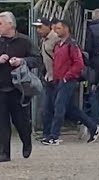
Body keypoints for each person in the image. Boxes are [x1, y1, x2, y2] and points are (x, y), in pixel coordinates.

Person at [41, 20, 99, 145]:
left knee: (59, 107)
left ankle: (54, 136)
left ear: (66, 29)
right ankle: (93, 127)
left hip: (67, 80)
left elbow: (78, 63)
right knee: (71, 109)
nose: (55, 31)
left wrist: (67, 76)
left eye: (58, 28)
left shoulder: (71, 45)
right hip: (60, 80)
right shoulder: (59, 45)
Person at [0, 11, 42, 162]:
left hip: (19, 89)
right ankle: (4, 153)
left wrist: (22, 61)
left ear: (10, 24)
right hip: (1, 87)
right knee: (2, 122)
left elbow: (37, 60)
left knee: (20, 121)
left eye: (0, 23)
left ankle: (26, 140)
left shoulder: (24, 41)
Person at [32, 18, 61, 141]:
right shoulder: (44, 39)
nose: (38, 30)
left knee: (62, 107)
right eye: (37, 27)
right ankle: (47, 133)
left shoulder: (55, 39)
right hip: (49, 77)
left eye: (40, 27)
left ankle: (52, 134)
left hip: (58, 78)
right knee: (47, 107)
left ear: (49, 26)